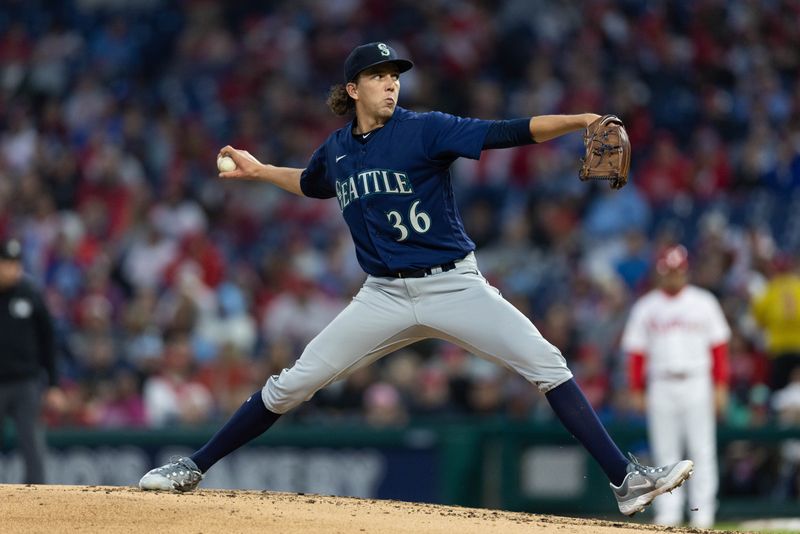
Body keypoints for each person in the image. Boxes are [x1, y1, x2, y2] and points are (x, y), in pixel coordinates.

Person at [139, 42, 693, 516]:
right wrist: (260, 172)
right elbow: (311, 185)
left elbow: (508, 131)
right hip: (381, 295)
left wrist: (580, 121)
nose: (390, 85)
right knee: (293, 383)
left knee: (546, 363)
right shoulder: (337, 152)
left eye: (394, 76)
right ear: (352, 89)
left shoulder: (426, 129)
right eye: (378, 76)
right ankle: (194, 465)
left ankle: (627, 480)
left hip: (453, 285)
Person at [621, 244, 731, 528]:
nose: (673, 276)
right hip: (661, 384)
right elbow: (636, 352)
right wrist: (636, 388)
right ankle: (668, 514)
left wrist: (720, 386)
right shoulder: (647, 306)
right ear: (660, 273)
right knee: (664, 453)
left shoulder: (704, 302)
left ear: (685, 271)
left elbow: (718, 348)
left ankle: (702, 515)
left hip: (697, 381)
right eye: (668, 271)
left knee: (701, 450)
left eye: (677, 271)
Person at [0, 237, 64, 483]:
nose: (11, 269)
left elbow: (48, 341)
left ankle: (37, 497)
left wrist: (54, 385)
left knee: (31, 442)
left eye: (15, 263)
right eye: (6, 263)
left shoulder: (30, 294)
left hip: (26, 383)